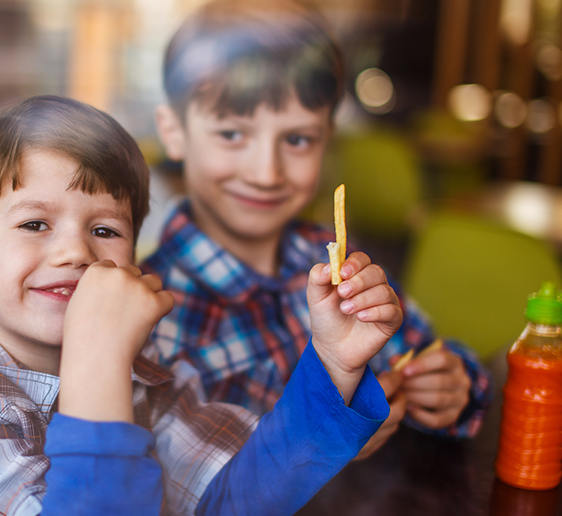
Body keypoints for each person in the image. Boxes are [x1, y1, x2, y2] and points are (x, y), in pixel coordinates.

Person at [0, 95, 399, 515]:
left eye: (105, 230)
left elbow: (236, 499)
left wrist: (333, 363)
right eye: (35, 223)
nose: (75, 252)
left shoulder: (148, 374)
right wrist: (98, 359)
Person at [143, 0, 492, 460]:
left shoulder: (335, 259)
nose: (266, 172)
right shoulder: (148, 315)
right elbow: (171, 481)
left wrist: (451, 386)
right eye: (231, 134)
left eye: (297, 139)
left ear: (327, 138)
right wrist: (324, 440)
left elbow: (425, 352)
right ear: (174, 131)